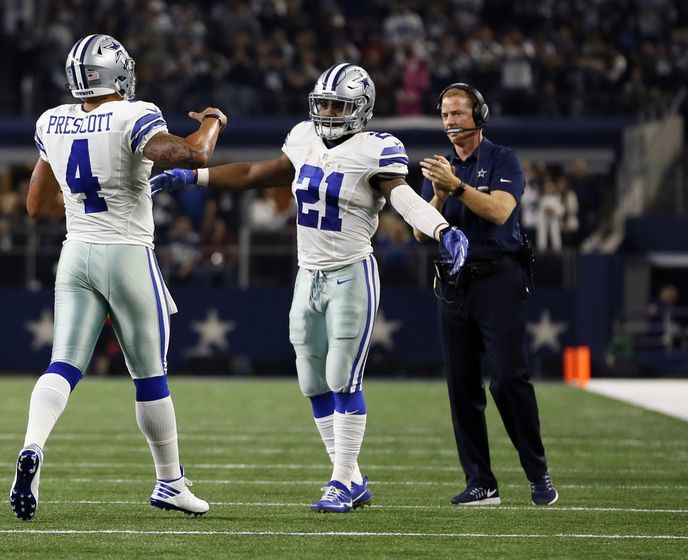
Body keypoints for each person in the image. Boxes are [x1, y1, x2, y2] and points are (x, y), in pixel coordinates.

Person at [150, 63, 468, 513]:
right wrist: (193, 176)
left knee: (342, 376)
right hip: (308, 274)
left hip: (350, 274)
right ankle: (352, 478)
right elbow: (256, 174)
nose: (328, 112)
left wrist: (441, 229)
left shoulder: (375, 150)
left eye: (338, 105)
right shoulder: (304, 138)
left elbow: (402, 197)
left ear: (361, 109)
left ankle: (339, 481)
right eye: (323, 103)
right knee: (312, 380)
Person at [10, 34, 227, 520]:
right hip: (127, 254)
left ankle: (32, 445)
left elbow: (36, 206)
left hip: (75, 253)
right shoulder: (133, 113)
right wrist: (213, 120)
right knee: (150, 376)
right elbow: (194, 155)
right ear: (116, 73)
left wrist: (83, 194)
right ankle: (170, 482)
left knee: (63, 364)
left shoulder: (51, 120)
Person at [415, 83, 558, 506]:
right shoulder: (443, 168)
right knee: (462, 385)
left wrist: (455, 187)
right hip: (454, 283)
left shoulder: (502, 158)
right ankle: (481, 481)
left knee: (509, 378)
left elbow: (499, 210)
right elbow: (422, 231)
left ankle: (538, 472)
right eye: (444, 114)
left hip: (499, 278)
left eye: (458, 112)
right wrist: (439, 192)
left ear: (479, 114)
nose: (449, 121)